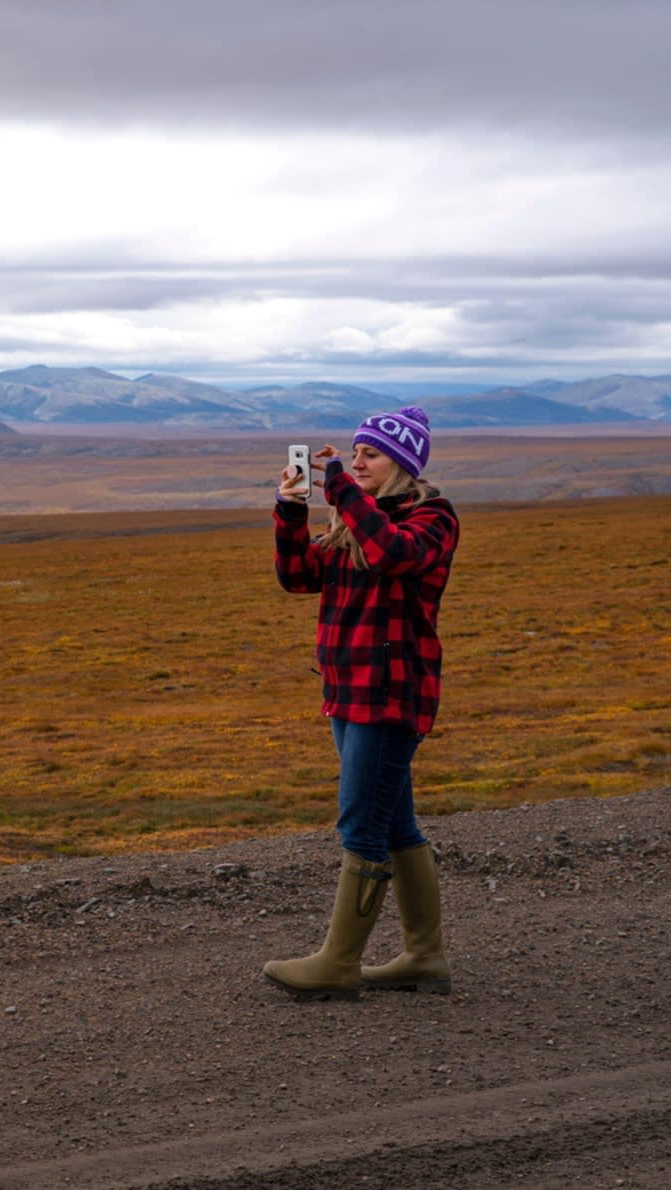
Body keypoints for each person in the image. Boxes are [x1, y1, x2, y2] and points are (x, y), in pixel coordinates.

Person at [264, 406, 460, 1000]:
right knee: (393, 821)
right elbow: (299, 577)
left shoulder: (432, 518)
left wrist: (346, 494)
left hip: (391, 691)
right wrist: (292, 511)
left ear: (401, 462)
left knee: (360, 822)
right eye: (353, 454)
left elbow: (391, 555)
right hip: (347, 691)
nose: (354, 463)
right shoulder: (356, 521)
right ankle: (425, 956)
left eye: (369, 455)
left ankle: (339, 964)